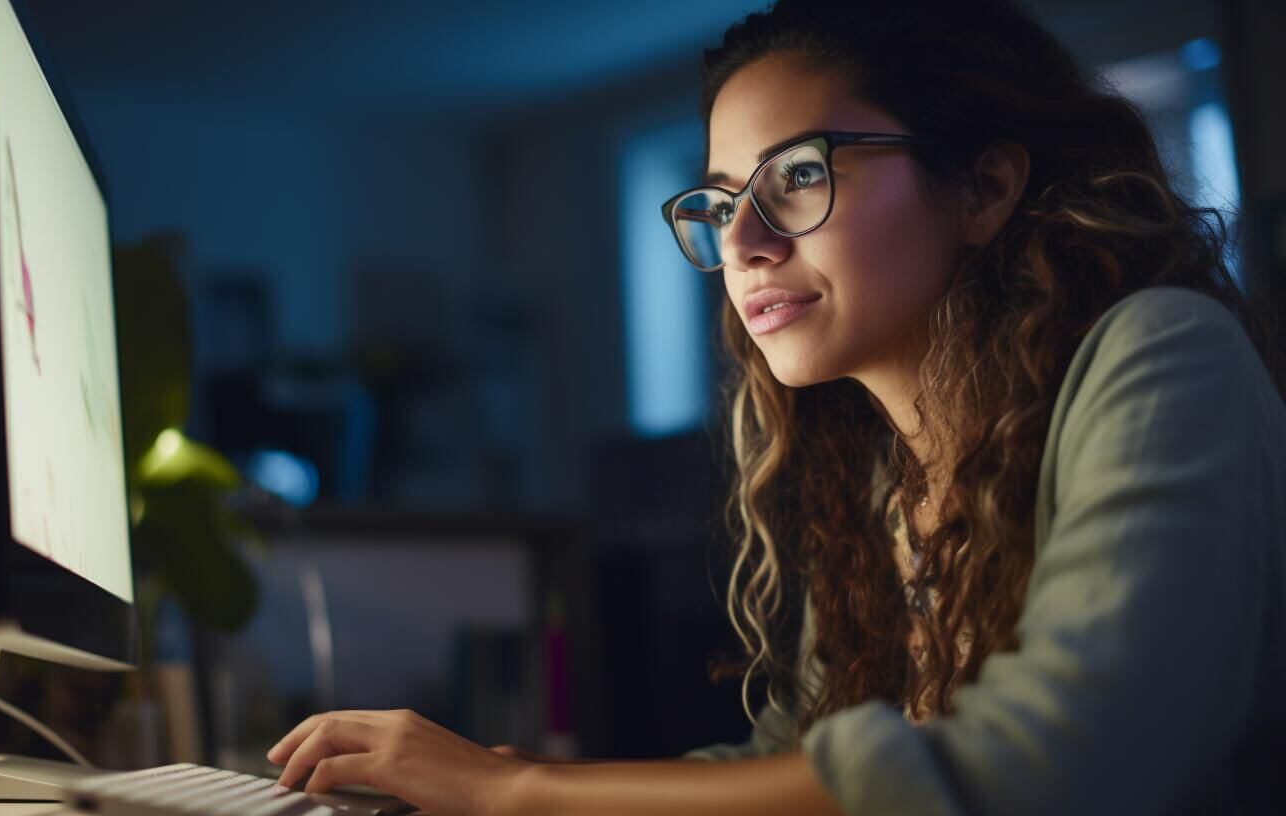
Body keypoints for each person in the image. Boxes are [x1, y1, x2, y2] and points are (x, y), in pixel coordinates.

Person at [265, 0, 1286, 813]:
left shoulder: (1161, 356)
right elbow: (791, 757)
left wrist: (528, 794)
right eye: (717, 201)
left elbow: (1051, 768)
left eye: (798, 175)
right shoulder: (889, 472)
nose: (743, 241)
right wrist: (500, 775)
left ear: (980, 187)